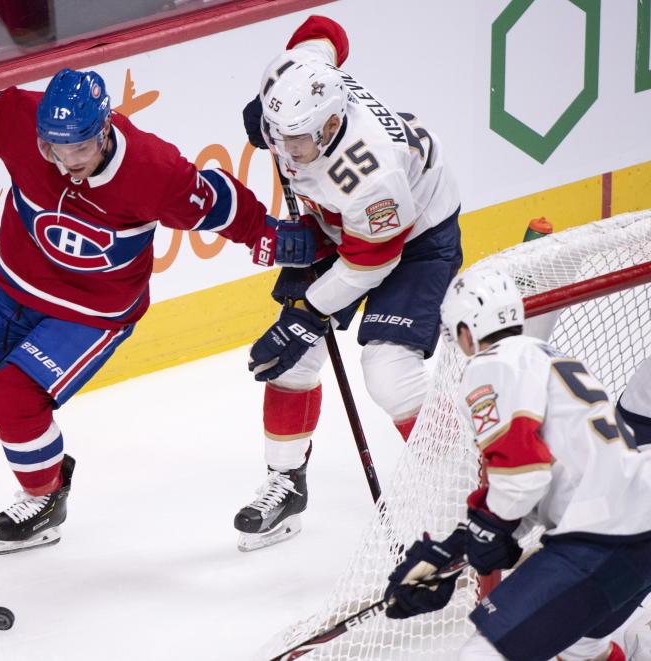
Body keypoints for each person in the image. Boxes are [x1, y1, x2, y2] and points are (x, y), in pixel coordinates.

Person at [0, 67, 317, 554]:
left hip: (91, 313)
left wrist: (272, 236)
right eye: (54, 147)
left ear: (104, 131)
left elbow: (216, 203)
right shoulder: (19, 119)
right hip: (9, 286)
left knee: (11, 400)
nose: (66, 160)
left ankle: (44, 498)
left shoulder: (152, 171)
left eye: (80, 146)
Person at [234, 14, 463, 551]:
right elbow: (324, 28)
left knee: (389, 373)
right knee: (294, 361)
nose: (286, 151)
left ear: (334, 125)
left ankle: (466, 487)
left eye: (299, 141)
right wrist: (269, 116)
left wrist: (306, 315)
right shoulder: (302, 81)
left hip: (413, 241)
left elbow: (369, 263)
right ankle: (286, 484)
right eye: (278, 136)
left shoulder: (369, 176)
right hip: (342, 225)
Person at [384, 266, 651, 661]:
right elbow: (536, 482)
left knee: (482, 654)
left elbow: (522, 475)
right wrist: (454, 550)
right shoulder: (546, 357)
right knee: (580, 644)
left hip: (603, 535)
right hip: (636, 523)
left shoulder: (493, 364)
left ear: (465, 330)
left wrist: (486, 533)